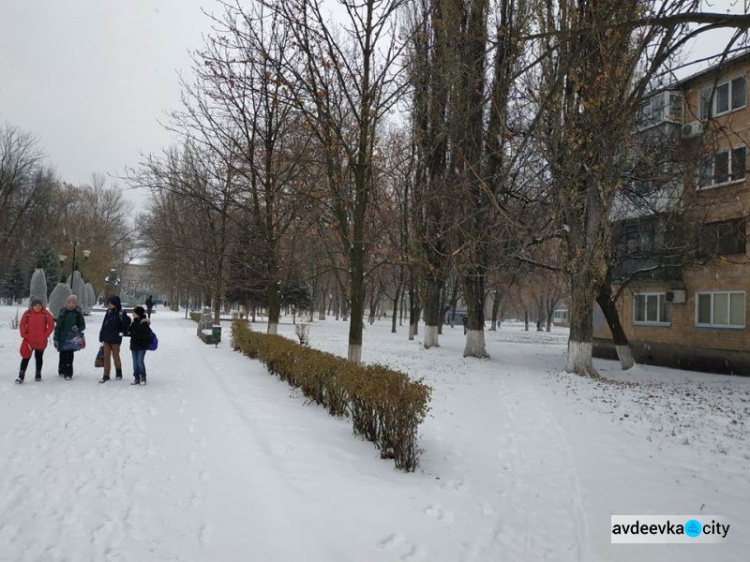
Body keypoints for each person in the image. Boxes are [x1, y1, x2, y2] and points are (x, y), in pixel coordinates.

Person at [16, 296, 55, 384]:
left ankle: (38, 373)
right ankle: (21, 375)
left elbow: (51, 325)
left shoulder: (45, 313)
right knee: (25, 357)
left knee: (39, 358)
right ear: (32, 306)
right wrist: (24, 335)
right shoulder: (27, 313)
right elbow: (22, 324)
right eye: (36, 305)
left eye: (39, 305)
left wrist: (46, 334)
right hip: (29, 341)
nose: (38, 307)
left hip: (41, 341)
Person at [98, 295, 131, 383]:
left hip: (116, 339)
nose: (109, 305)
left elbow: (127, 322)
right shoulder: (108, 312)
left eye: (111, 303)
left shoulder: (120, 313)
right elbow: (104, 324)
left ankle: (118, 371)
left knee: (116, 356)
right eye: (109, 303)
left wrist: (123, 317)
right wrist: (101, 335)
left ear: (115, 304)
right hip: (106, 338)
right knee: (106, 357)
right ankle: (106, 374)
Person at [53, 295, 86, 380]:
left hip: (72, 338)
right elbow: (58, 326)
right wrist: (56, 338)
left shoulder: (77, 313)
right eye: (69, 302)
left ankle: (69, 373)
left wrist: (77, 328)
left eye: (73, 303)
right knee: (62, 355)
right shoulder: (62, 313)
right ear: (66, 303)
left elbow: (82, 325)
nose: (71, 304)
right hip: (62, 338)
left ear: (75, 304)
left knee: (70, 356)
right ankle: (61, 371)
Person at [128, 306, 152, 386]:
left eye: (134, 313)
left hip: (142, 346)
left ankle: (143, 377)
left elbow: (145, 334)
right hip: (134, 345)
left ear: (138, 314)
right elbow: (129, 331)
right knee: (135, 363)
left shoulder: (144, 322)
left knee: (139, 362)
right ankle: (136, 377)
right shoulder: (133, 322)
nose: (132, 315)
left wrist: (136, 335)